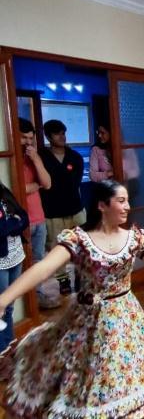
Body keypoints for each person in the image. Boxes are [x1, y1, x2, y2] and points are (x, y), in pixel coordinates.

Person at [0, 180, 144, 417]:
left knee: (118, 377)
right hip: (86, 320)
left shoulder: (134, 238)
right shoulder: (78, 239)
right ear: (102, 205)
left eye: (127, 201)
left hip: (124, 319)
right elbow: (43, 268)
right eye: (121, 201)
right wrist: (4, 299)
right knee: (87, 376)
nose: (127, 207)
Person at [39, 120, 85, 295]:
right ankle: (63, 280)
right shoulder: (42, 156)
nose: (62, 137)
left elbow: (74, 183)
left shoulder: (75, 157)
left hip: (75, 210)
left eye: (63, 133)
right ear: (49, 136)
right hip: (53, 212)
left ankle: (81, 276)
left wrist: (53, 183)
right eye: (57, 133)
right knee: (57, 248)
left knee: (82, 246)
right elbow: (44, 184)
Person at [19, 118, 60, 310]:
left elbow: (47, 183)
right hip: (21, 221)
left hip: (39, 218)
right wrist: (34, 186)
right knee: (22, 263)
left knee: (38, 261)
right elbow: (16, 188)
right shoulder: (10, 158)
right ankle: (24, 306)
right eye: (23, 138)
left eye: (30, 138)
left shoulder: (33, 158)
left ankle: (37, 298)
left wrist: (36, 159)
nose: (28, 142)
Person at [0, 182, 29, 351]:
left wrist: (15, 222)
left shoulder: (4, 191)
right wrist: (14, 222)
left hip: (16, 255)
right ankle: (2, 350)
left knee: (9, 305)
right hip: (1, 261)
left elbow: (24, 216)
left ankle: (9, 346)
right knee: (2, 306)